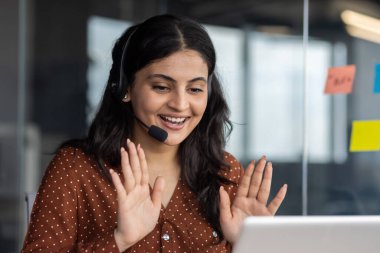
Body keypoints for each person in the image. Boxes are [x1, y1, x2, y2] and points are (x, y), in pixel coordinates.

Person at [22, 14, 287, 252]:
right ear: (125, 88)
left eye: (195, 89)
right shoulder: (77, 168)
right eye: (161, 87)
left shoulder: (225, 172)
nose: (180, 105)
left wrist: (251, 244)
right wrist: (119, 241)